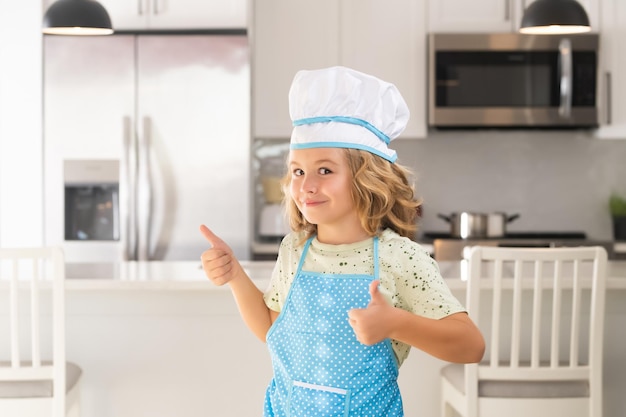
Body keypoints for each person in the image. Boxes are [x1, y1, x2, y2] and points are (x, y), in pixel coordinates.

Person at [200, 66, 485, 416]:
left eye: (325, 170)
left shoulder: (400, 257)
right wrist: (234, 277)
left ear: (367, 177)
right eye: (298, 170)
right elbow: (272, 330)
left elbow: (471, 346)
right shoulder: (295, 250)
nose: (306, 185)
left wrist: (396, 323)